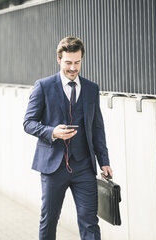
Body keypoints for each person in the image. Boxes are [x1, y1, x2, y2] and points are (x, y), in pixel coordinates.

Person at [23, 37, 113, 240]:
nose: (73, 68)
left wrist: (104, 161)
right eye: (68, 62)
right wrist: (52, 132)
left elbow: (97, 128)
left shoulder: (91, 88)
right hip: (53, 167)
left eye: (77, 62)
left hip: (84, 167)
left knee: (90, 221)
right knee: (49, 220)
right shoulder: (43, 86)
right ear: (58, 59)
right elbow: (28, 123)